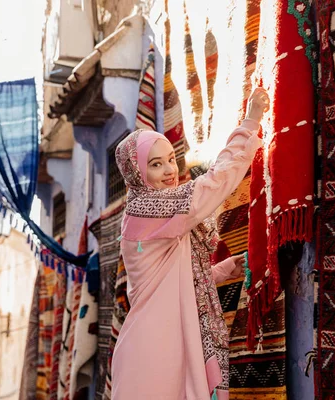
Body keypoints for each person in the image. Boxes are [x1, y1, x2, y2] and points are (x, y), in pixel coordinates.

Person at [111, 87, 270, 400]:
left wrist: (223, 270)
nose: (170, 171)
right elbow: (212, 186)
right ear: (136, 171)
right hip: (151, 353)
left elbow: (175, 285)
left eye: (171, 159)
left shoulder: (156, 211)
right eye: (155, 164)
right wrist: (249, 125)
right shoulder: (148, 209)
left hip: (171, 342)